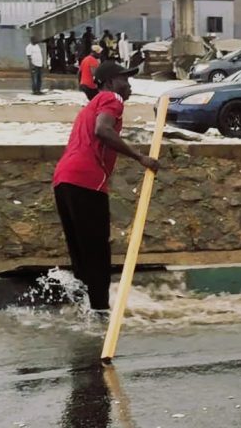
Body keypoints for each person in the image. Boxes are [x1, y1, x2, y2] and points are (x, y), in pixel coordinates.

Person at [52, 60, 160, 311]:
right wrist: (140, 157)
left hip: (63, 179)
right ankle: (100, 314)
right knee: (98, 254)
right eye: (125, 79)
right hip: (86, 180)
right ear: (111, 82)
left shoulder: (90, 106)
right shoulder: (112, 98)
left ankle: (85, 312)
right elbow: (103, 130)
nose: (129, 85)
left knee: (82, 256)